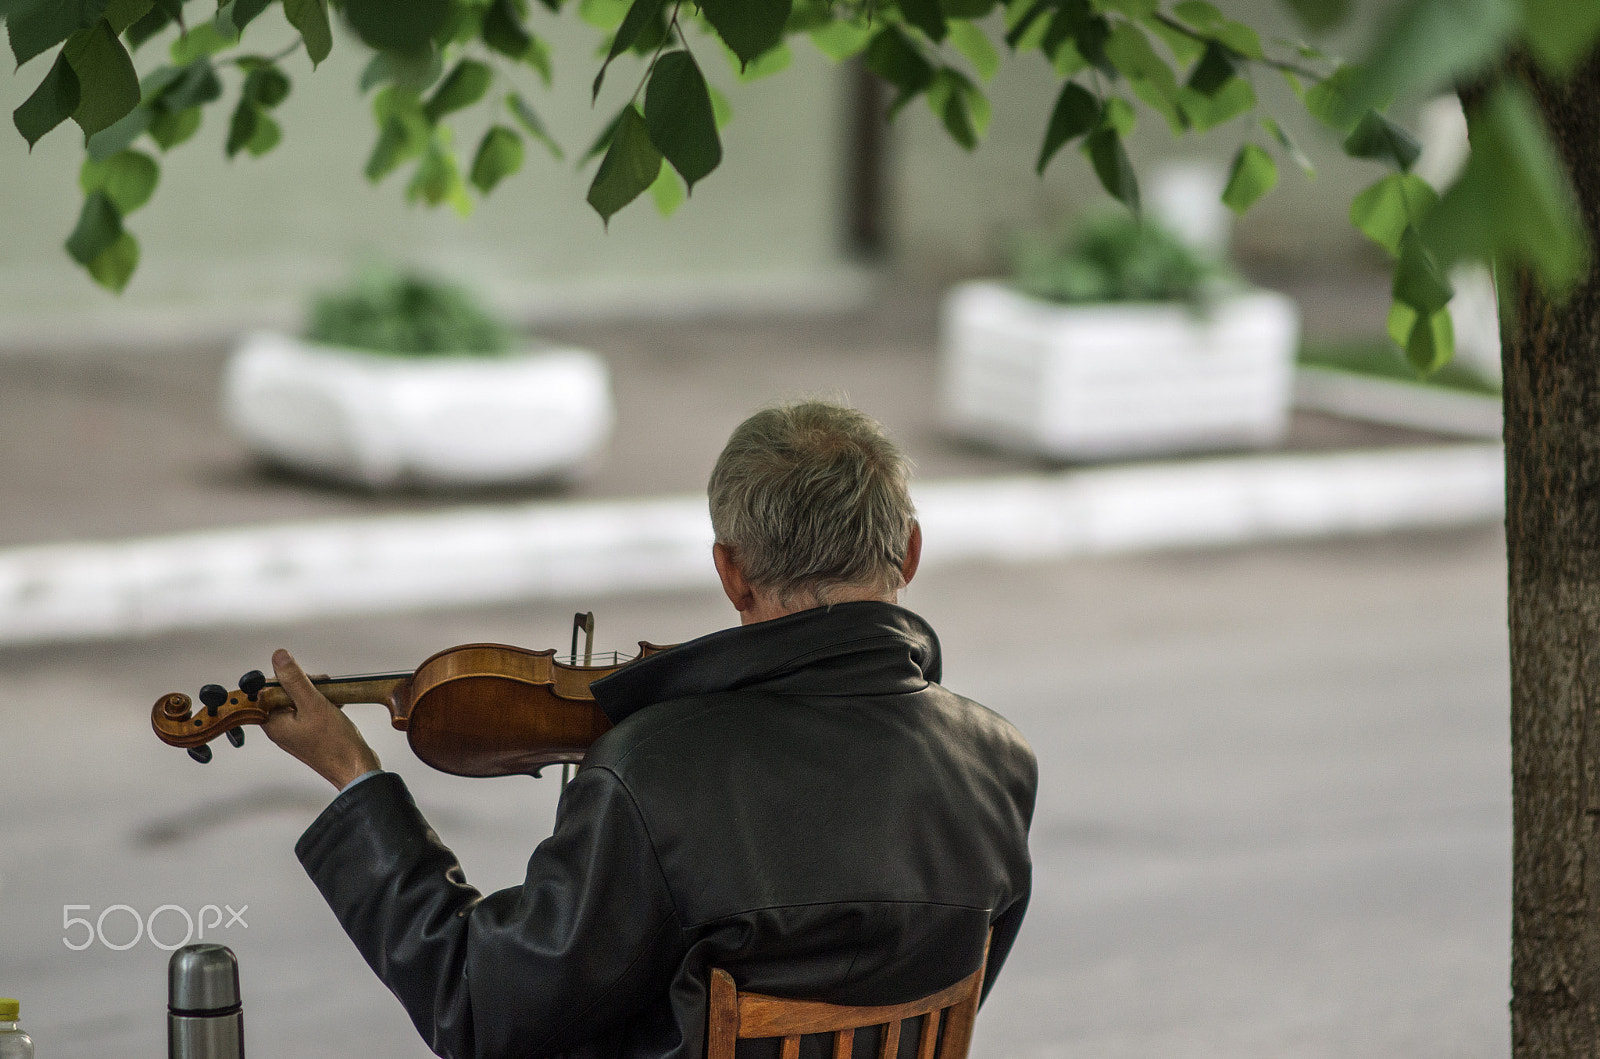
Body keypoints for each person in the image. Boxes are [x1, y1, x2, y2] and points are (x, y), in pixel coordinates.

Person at [263, 401, 1038, 1059]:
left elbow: (475, 1003)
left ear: (731, 571)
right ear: (908, 549)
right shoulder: (999, 763)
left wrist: (356, 777)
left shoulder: (654, 771)